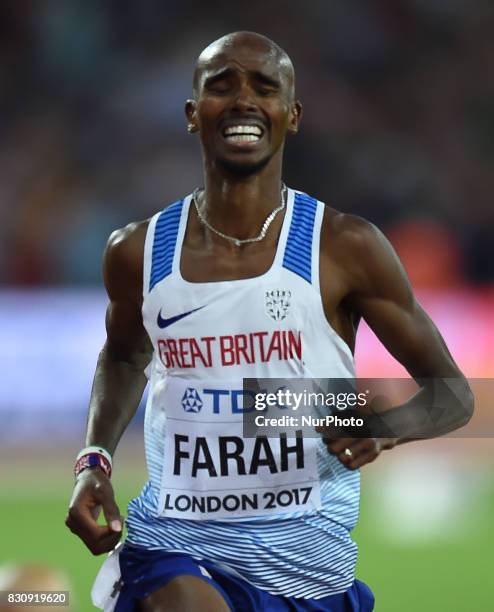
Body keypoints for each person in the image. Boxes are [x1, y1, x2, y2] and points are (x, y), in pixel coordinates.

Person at [65, 31, 473, 611]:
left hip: (308, 565)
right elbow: (126, 354)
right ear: (191, 113)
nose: (242, 100)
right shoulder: (138, 250)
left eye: (264, 86)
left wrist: (385, 426)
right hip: (176, 544)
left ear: (292, 114)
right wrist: (94, 460)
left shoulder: (345, 245)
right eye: (221, 85)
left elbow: (453, 393)